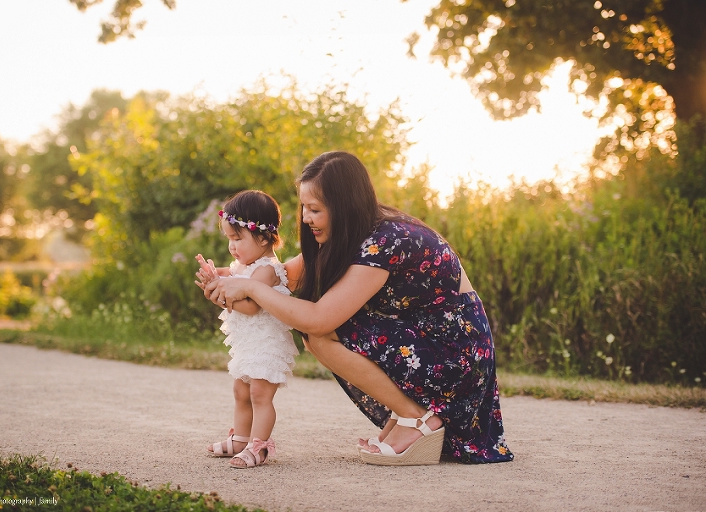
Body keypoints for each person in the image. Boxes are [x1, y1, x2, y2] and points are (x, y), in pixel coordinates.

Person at [201, 151, 514, 466]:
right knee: (316, 331)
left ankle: (417, 419)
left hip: (456, 352)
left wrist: (250, 287)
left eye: (315, 209)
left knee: (319, 334)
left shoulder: (385, 242)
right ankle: (409, 414)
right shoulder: (353, 233)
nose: (306, 218)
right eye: (303, 208)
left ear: (342, 206)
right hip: (430, 340)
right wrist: (232, 281)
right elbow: (284, 275)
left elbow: (319, 319)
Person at [195, 189, 298, 469]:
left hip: (266, 344)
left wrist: (219, 298)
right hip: (247, 344)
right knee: (240, 392)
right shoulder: (243, 265)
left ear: (263, 238)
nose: (232, 246)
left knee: (259, 395)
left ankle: (259, 446)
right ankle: (240, 439)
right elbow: (228, 276)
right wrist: (212, 277)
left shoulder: (267, 270)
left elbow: (252, 306)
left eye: (237, 238)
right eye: (229, 239)